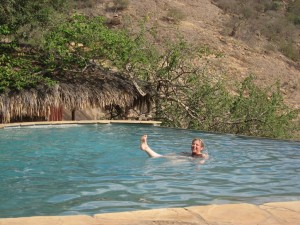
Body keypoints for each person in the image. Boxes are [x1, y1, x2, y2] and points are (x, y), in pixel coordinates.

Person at [140, 134, 209, 159]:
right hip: (186, 156)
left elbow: (204, 160)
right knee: (162, 156)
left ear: (201, 148)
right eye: (193, 144)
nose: (194, 146)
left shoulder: (202, 155)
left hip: (187, 160)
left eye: (197, 145)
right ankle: (146, 148)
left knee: (172, 159)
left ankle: (146, 148)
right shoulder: (186, 153)